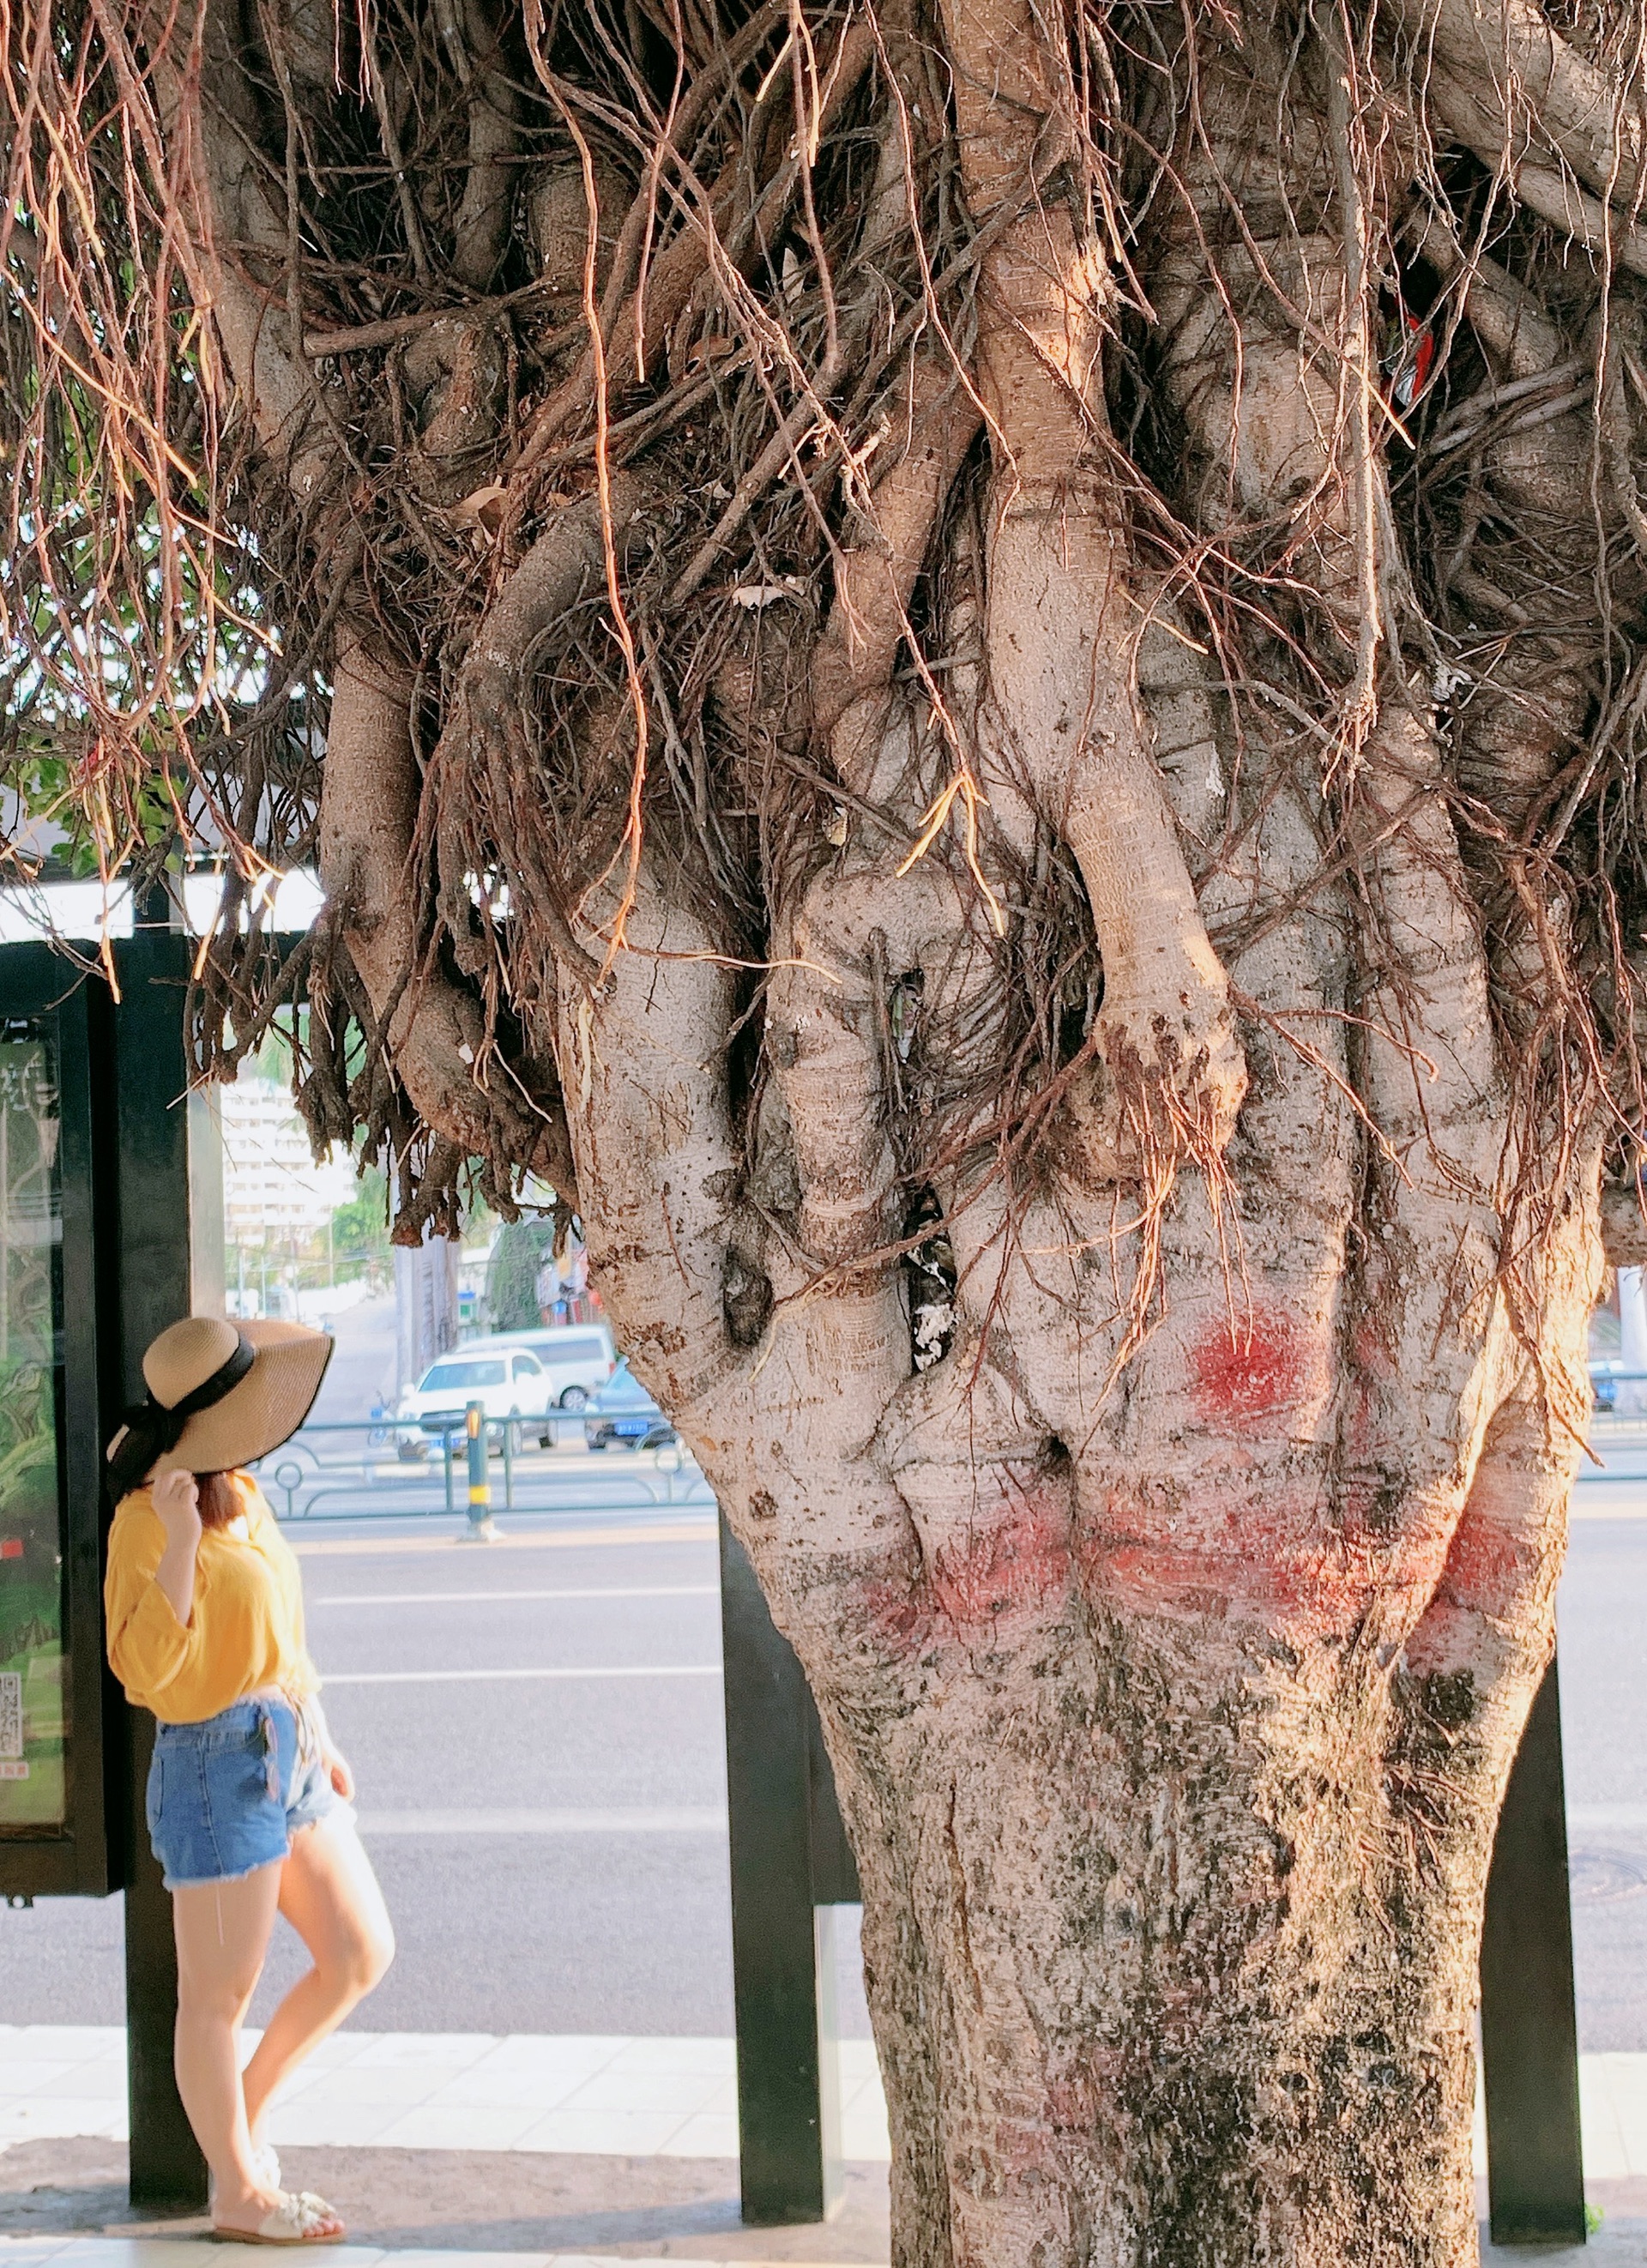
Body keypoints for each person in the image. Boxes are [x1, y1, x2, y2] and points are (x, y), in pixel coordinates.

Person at [104, 1316, 395, 2246]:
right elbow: (145, 1671)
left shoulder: (247, 1491)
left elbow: (285, 1626)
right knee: (216, 1997)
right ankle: (234, 2187)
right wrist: (180, 1538)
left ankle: (244, 2121)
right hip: (212, 1762)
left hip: (288, 1744)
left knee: (359, 1950)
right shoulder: (143, 1523)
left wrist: (322, 1728)